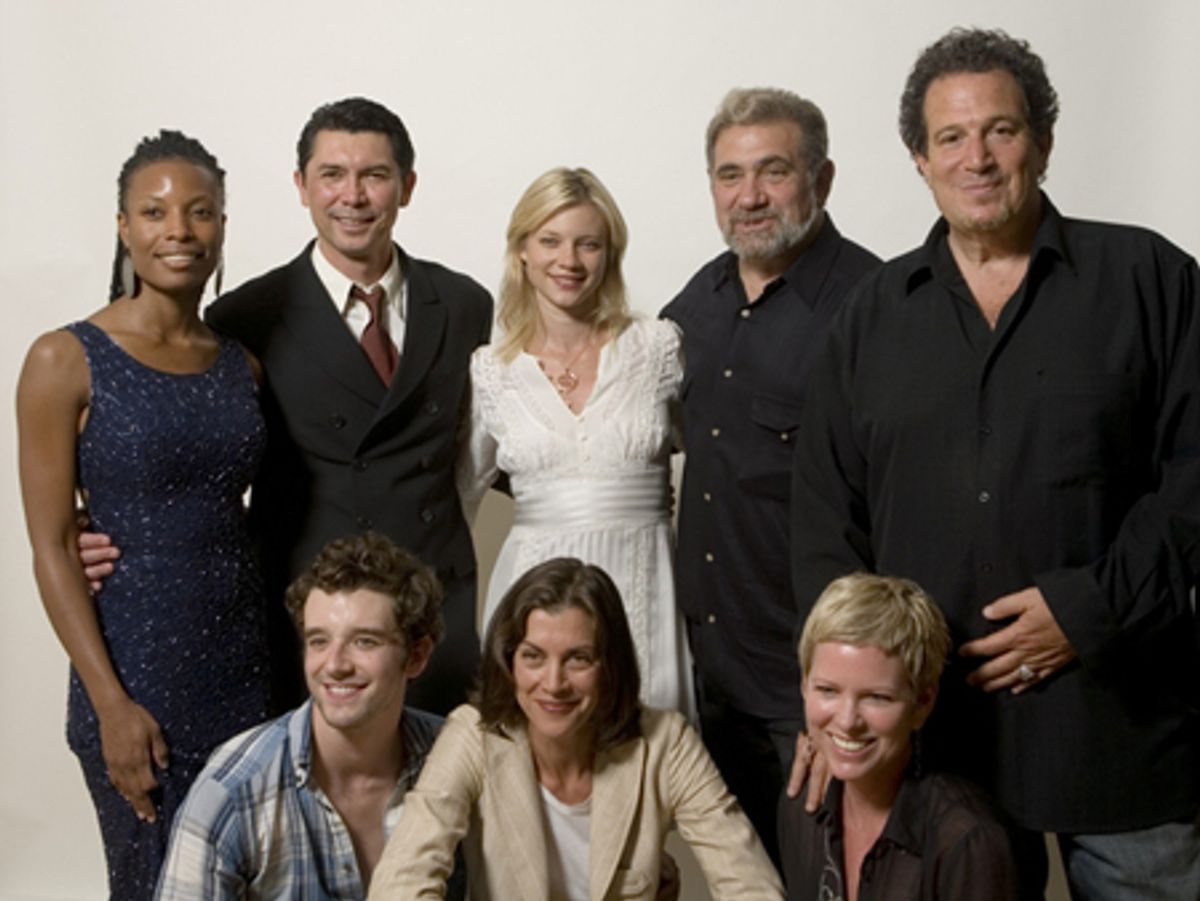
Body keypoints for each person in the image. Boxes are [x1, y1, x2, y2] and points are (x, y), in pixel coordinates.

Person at [790, 28, 1200, 899]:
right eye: (951, 137)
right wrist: (846, 695)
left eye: (1002, 131)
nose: (977, 157)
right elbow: (826, 517)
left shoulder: (1152, 279)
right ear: (919, 158)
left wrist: (1086, 607)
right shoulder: (868, 317)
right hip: (935, 748)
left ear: (1043, 142)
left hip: (1118, 724)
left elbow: (1196, 477)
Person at [82, 97, 493, 716]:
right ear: (301, 186)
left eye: (374, 176)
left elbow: (509, 439)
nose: (351, 196)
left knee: (445, 803)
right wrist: (96, 528)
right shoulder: (245, 318)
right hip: (305, 619)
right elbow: (177, 444)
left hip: (434, 613)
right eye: (332, 175)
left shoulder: (465, 305)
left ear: (406, 187)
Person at [16, 130, 271, 900]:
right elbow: (53, 546)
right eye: (155, 212)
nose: (180, 231)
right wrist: (110, 704)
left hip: (245, 671)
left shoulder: (242, 362)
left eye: (201, 212)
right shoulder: (63, 359)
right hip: (135, 674)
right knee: (152, 884)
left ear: (223, 225)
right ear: (123, 226)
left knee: (248, 881)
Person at [660, 87, 880, 863]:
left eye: (773, 171)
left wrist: (842, 701)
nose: (748, 196)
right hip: (707, 686)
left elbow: (900, 520)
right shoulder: (701, 299)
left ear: (821, 179)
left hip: (811, 697)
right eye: (729, 175)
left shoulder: (874, 305)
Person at [368, 558, 783, 899]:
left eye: (578, 659)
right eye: (533, 656)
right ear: (509, 661)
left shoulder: (665, 742)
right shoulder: (474, 735)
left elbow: (750, 881)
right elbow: (401, 881)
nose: (553, 683)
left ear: (610, 665)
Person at [458, 166, 691, 714]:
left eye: (589, 243)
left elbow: (718, 459)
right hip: (533, 598)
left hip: (646, 585)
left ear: (610, 254)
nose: (569, 260)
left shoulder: (656, 347)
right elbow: (457, 500)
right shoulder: (492, 371)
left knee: (649, 757)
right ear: (521, 250)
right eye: (550, 241)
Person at [156, 532, 464, 900]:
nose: (334, 665)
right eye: (319, 641)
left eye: (364, 641)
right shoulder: (232, 790)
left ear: (416, 656)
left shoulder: (458, 762)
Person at [779, 574, 1019, 900]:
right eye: (827, 690)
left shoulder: (967, 840)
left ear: (922, 703)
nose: (848, 721)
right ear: (804, 686)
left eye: (877, 697)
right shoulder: (800, 807)